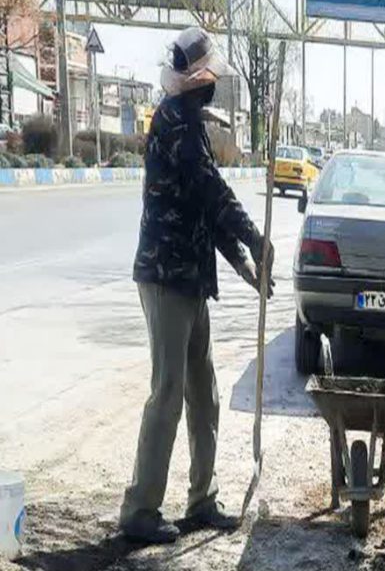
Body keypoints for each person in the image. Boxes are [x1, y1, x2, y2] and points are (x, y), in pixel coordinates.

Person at [120, 27, 273, 543]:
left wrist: (242, 262)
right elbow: (212, 190)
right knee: (167, 391)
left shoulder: (188, 123)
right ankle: (140, 510)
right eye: (209, 78)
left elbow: (204, 207)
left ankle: (201, 499)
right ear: (198, 79)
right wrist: (253, 238)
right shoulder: (175, 124)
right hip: (166, 279)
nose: (213, 86)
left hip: (189, 279)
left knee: (202, 393)